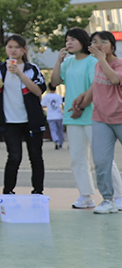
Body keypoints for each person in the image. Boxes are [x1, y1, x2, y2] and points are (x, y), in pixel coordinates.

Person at [50, 28, 122, 209]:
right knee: (78, 158)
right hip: (72, 115)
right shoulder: (68, 62)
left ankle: (118, 194)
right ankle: (86, 194)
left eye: (73, 39)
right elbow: (55, 82)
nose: (69, 43)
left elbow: (95, 87)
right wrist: (58, 61)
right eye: (67, 40)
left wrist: (81, 107)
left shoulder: (94, 61)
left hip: (92, 115)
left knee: (104, 159)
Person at [0, 34, 47, 196]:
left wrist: (20, 74)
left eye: (16, 47)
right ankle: (8, 191)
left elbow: (38, 90)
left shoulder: (31, 69)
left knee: (35, 157)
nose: (13, 50)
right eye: (10, 47)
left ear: (23, 50)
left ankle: (38, 191)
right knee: (14, 157)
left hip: (31, 120)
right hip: (9, 120)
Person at [85, 31, 122, 213]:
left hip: (120, 117)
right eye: (94, 42)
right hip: (100, 118)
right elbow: (96, 86)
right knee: (101, 161)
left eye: (103, 42)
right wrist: (82, 100)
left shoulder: (118, 64)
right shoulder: (98, 65)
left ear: (113, 46)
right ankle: (108, 200)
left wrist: (101, 59)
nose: (98, 45)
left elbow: (115, 79)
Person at [41, 85, 64, 150]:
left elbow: (42, 105)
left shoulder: (46, 96)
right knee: (60, 130)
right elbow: (61, 104)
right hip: (59, 115)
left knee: (53, 130)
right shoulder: (58, 96)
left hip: (51, 116)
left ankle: (55, 140)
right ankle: (60, 143)